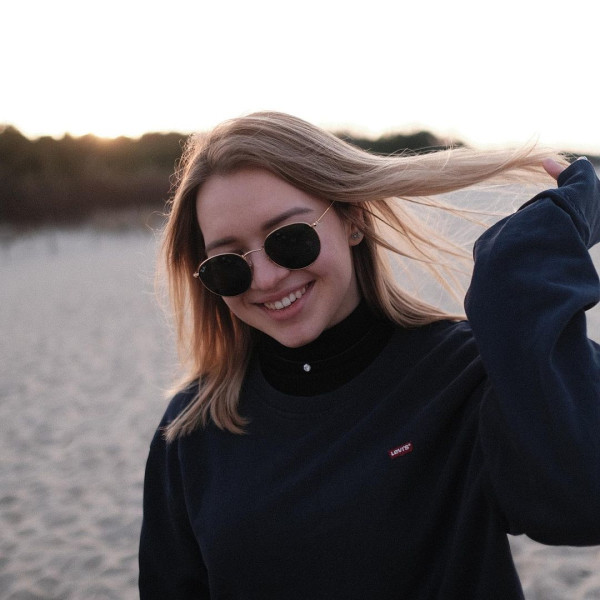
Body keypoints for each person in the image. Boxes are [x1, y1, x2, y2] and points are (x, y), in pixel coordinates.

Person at [139, 111, 600, 599]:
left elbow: (584, 499)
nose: (267, 279)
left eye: (290, 240)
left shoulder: (465, 376)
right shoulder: (193, 430)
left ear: (353, 219)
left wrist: (519, 272)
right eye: (229, 264)